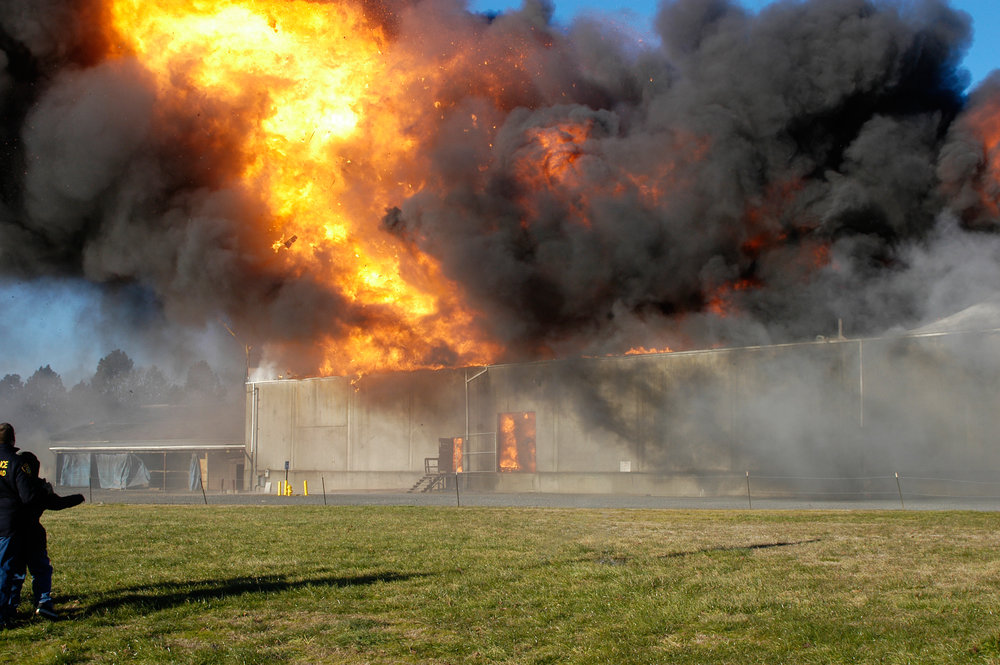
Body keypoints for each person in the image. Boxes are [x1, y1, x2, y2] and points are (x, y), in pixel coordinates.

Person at [11, 451, 84, 620]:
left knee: (16, 573)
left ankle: (11, 605)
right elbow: (56, 503)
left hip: (13, 533)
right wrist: (77, 498)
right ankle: (44, 602)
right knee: (41, 570)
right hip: (34, 534)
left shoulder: (11, 486)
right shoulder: (39, 488)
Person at [0, 423, 42, 627]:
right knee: (6, 569)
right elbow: (28, 497)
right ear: (13, 439)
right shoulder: (17, 463)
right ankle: (3, 613)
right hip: (8, 525)